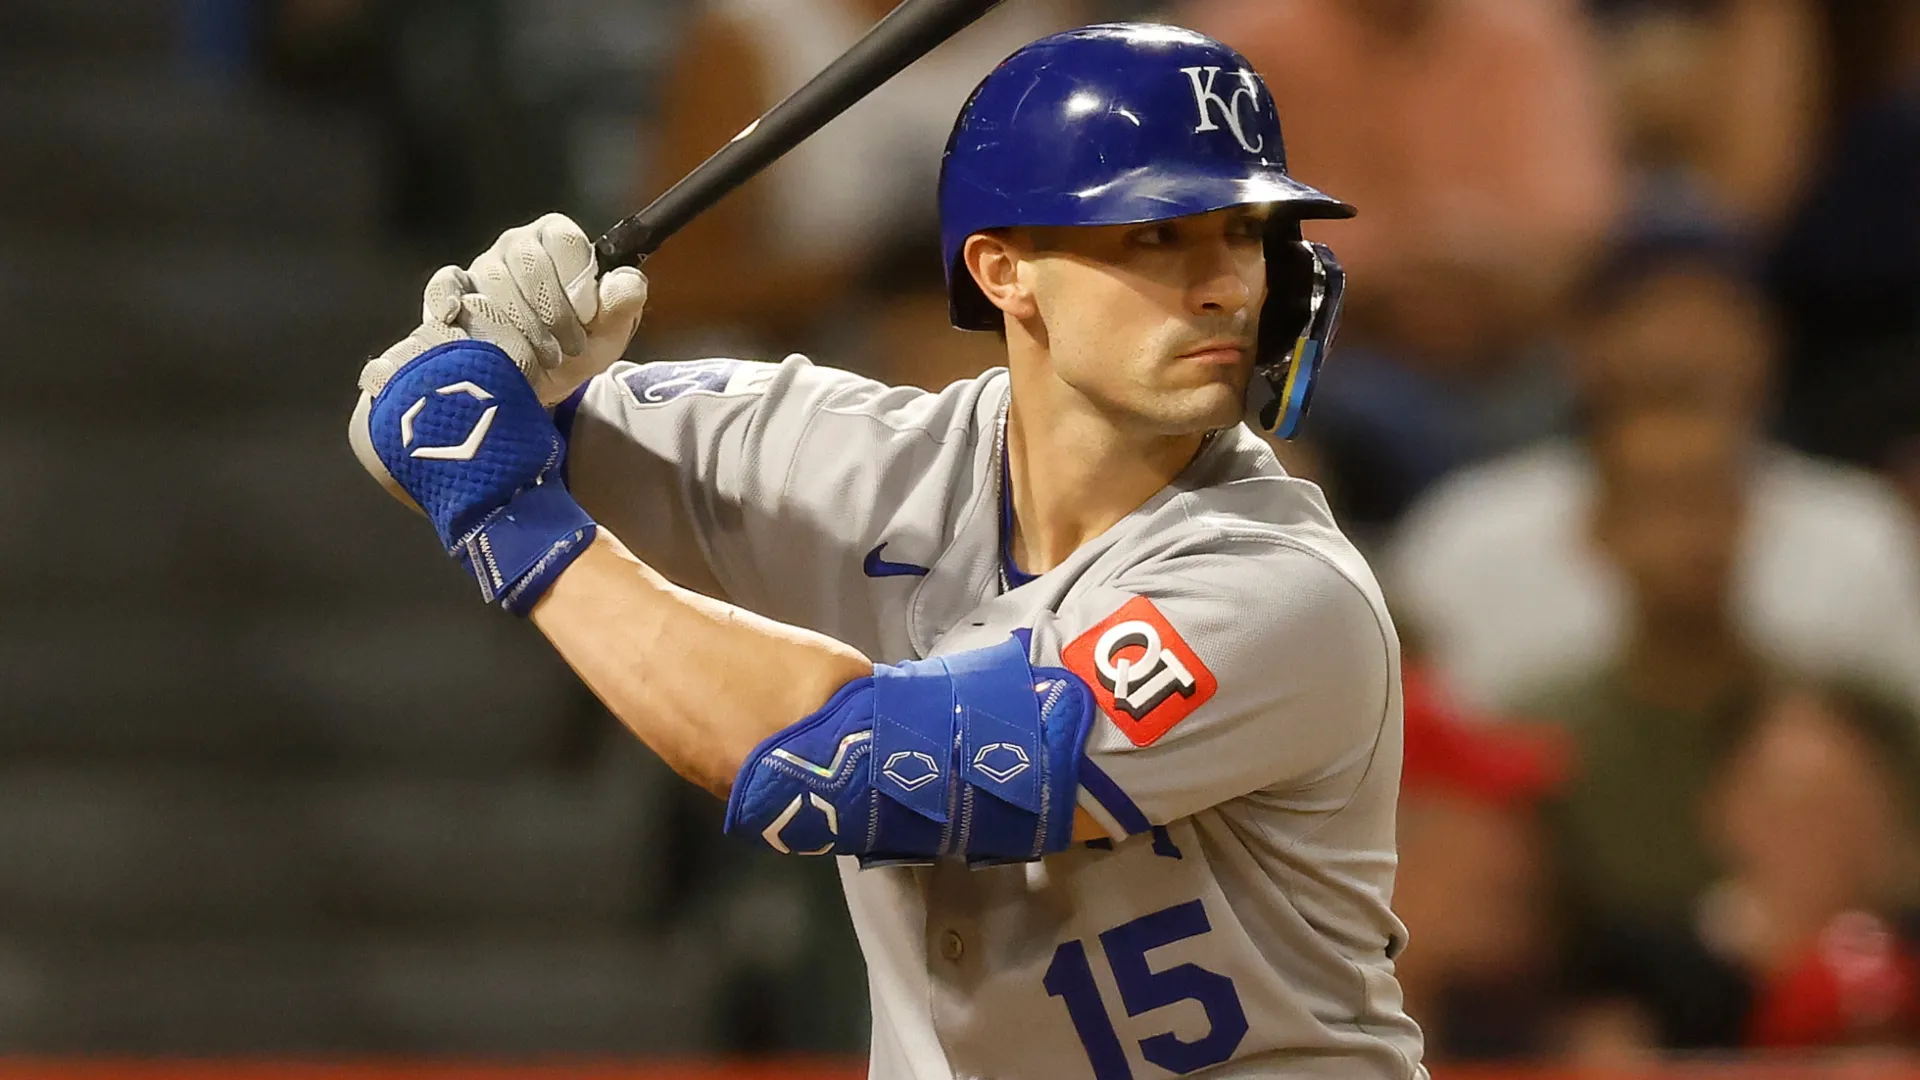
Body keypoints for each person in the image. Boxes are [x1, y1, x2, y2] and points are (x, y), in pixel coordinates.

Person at [345, 23, 1422, 1080]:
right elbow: (413, 442)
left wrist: (522, 527)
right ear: (1005, 270)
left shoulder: (1283, 590)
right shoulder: (864, 454)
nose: (1226, 282)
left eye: (1244, 233)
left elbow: (840, 772)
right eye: (1154, 235)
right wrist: (487, 354)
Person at [1387, 221, 1920, 714]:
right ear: (1581, 347)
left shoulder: (1859, 534)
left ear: (1768, 345)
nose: (1679, 347)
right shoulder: (1467, 533)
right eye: (1650, 314)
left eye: (1712, 315)